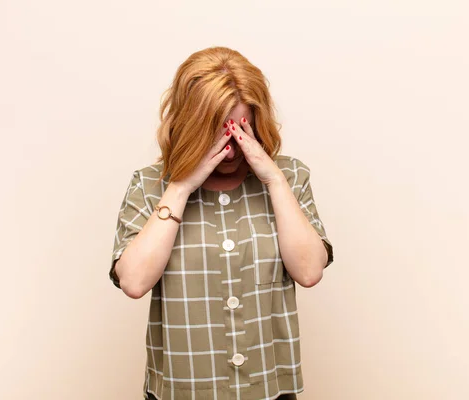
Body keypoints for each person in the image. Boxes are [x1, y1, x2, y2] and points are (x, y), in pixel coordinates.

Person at [109, 46, 334, 400]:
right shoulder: (150, 186)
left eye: (241, 129)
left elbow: (308, 272)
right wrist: (181, 186)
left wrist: (274, 181)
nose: (231, 150)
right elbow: (134, 282)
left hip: (271, 391)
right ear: (189, 125)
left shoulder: (289, 176)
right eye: (217, 133)